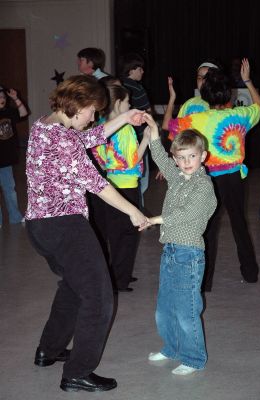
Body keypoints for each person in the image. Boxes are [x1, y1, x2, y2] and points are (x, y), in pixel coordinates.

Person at [25, 75, 148, 393]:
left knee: (73, 287)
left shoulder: (45, 126)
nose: (94, 117)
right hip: (65, 227)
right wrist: (134, 211)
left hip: (41, 227)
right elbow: (99, 184)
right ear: (78, 106)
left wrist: (123, 118)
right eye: (93, 110)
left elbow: (89, 138)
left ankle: (48, 351)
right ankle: (77, 372)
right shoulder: (64, 140)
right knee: (99, 296)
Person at [163, 58, 260, 291]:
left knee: (208, 226)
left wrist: (171, 99)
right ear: (228, 94)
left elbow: (168, 124)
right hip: (234, 179)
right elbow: (259, 104)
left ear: (204, 95)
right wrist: (247, 80)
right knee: (240, 223)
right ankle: (250, 274)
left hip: (207, 178)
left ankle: (204, 282)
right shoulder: (239, 115)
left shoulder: (195, 120)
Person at [141, 114, 217, 375]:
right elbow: (160, 157)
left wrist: (154, 218)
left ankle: (194, 358)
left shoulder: (203, 186)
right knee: (165, 308)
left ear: (203, 156)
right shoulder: (177, 178)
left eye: (192, 156)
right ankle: (171, 347)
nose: (186, 162)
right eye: (181, 157)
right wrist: (153, 132)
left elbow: (186, 213)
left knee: (187, 310)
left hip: (190, 255)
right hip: (170, 252)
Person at [91, 83, 150, 291]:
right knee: (127, 235)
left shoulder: (100, 124)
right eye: (127, 101)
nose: (130, 104)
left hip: (110, 185)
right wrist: (147, 139)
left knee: (115, 233)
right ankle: (119, 280)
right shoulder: (123, 129)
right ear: (117, 103)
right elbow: (132, 161)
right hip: (125, 186)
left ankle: (118, 274)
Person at [120, 53, 152, 209]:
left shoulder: (119, 85)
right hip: (138, 137)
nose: (142, 72)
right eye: (140, 69)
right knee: (141, 177)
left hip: (120, 136)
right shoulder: (137, 88)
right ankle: (139, 210)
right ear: (132, 70)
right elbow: (148, 112)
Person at [0, 85, 28, 227]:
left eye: (3, 97)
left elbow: (23, 113)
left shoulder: (9, 112)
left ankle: (15, 217)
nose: (2, 99)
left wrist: (16, 98)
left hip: (6, 160)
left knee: (9, 189)